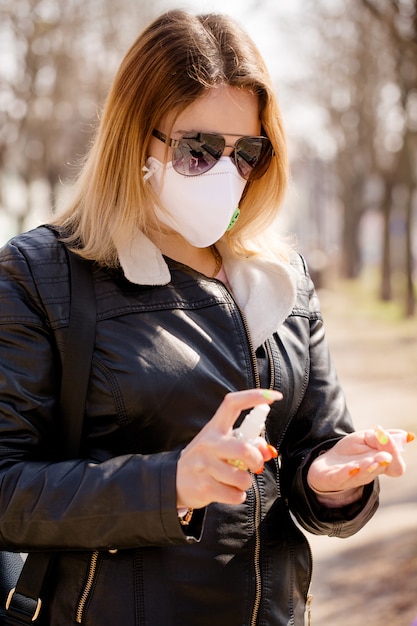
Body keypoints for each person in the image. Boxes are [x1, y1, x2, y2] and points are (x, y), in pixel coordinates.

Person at [0, 9, 411, 626]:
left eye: (246, 152)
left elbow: (308, 448)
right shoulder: (42, 274)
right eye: (198, 150)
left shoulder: (283, 275)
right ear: (137, 139)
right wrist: (171, 485)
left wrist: (332, 481)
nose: (227, 173)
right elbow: (7, 488)